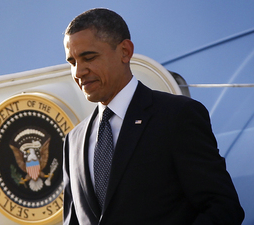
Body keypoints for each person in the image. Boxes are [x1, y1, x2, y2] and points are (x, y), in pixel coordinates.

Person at [62, 8, 244, 225]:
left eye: (88, 57)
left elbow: (223, 208)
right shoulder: (72, 141)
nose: (78, 72)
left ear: (125, 51)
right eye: (72, 62)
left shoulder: (177, 116)